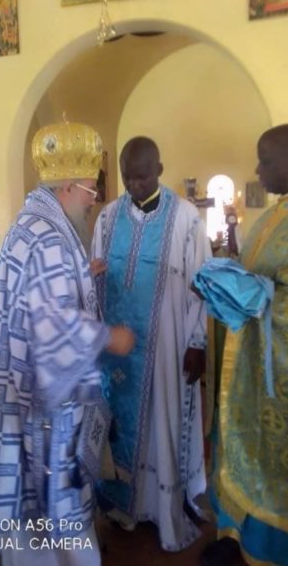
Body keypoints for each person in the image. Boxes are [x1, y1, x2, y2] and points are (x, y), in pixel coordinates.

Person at [0, 122, 134, 566]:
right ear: (67, 186)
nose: (93, 200)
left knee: (31, 525)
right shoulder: (49, 238)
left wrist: (83, 275)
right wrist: (111, 337)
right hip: (40, 411)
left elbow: (37, 299)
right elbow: (54, 325)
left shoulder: (32, 224)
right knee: (54, 525)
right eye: (90, 190)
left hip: (17, 397)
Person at [201, 124, 288, 566]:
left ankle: (280, 551)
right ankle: (237, 535)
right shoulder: (284, 210)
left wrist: (245, 292)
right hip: (255, 366)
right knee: (245, 450)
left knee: (278, 464)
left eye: (265, 162)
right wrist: (226, 276)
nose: (258, 171)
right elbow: (255, 270)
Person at [92, 136, 211, 551]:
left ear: (159, 170)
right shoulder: (108, 217)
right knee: (117, 426)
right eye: (127, 176)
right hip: (117, 354)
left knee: (162, 422)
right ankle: (122, 505)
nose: (133, 184)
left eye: (142, 176)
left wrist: (198, 342)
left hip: (165, 348)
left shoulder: (186, 219)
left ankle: (161, 510)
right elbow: (96, 277)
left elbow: (201, 283)